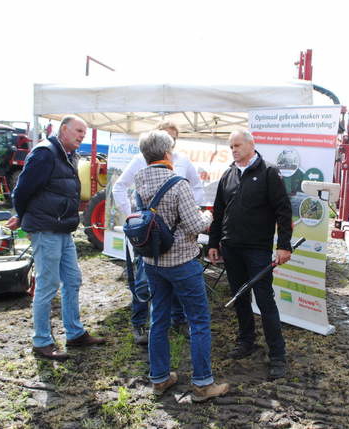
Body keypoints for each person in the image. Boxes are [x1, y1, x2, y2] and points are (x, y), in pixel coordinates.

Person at [133, 130, 229, 401]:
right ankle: (202, 384)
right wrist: (207, 215)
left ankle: (160, 378)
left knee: (158, 319)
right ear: (167, 153)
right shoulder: (177, 183)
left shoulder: (139, 181)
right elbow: (195, 225)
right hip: (181, 262)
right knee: (198, 321)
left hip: (152, 262)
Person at [6, 115, 105, 361]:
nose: (82, 136)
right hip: (45, 229)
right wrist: (21, 215)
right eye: (78, 131)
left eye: (84, 132)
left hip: (62, 228)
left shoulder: (68, 155)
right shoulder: (45, 153)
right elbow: (22, 189)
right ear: (63, 129)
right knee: (48, 285)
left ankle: (75, 333)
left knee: (72, 280)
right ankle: (41, 341)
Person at [208, 129, 293, 380]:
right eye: (231, 147)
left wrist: (284, 245)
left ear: (251, 144)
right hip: (231, 248)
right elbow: (218, 212)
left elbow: (283, 211)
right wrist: (213, 243)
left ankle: (277, 355)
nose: (233, 150)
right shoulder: (228, 174)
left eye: (237, 145)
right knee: (240, 297)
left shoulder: (269, 172)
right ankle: (246, 341)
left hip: (257, 249)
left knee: (265, 300)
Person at [112, 121, 204, 344]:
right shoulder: (140, 159)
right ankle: (139, 323)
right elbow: (119, 187)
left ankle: (177, 320)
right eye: (167, 138)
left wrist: (190, 209)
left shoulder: (183, 161)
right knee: (144, 281)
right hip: (149, 236)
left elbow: (197, 187)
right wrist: (134, 218)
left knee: (171, 284)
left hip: (175, 239)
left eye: (174, 138)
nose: (171, 143)